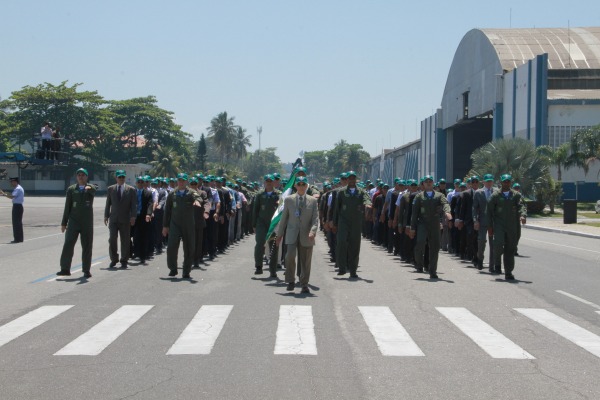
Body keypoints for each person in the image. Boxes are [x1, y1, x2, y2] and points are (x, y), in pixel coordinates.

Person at [276, 176, 319, 293]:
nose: (301, 186)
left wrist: (313, 231)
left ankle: (304, 283)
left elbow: (315, 219)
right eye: (299, 184)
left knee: (305, 261)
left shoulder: (313, 201)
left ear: (306, 186)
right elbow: (284, 218)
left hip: (307, 235)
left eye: (303, 184)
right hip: (291, 233)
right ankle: (290, 281)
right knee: (289, 256)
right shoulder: (289, 199)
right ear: (295, 186)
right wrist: (279, 235)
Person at [409, 175, 452, 279]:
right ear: (423, 184)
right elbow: (414, 214)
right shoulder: (419, 196)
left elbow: (445, 203)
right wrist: (412, 228)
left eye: (430, 181)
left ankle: (432, 271)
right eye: (426, 181)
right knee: (420, 243)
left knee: (435, 247)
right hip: (422, 223)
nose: (428, 183)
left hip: (434, 223)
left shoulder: (439, 195)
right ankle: (419, 264)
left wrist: (447, 212)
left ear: (433, 183)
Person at [162, 173, 203, 279]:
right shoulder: (172, 194)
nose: (181, 182)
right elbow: (167, 211)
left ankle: (186, 271)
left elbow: (198, 197)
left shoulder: (191, 192)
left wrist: (197, 202)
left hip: (188, 225)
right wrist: (165, 226)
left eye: (183, 180)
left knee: (189, 248)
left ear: (186, 182)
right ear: (177, 181)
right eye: (179, 180)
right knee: (171, 246)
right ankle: (173, 268)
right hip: (175, 224)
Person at [332, 170, 371, 278]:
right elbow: (336, 208)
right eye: (350, 178)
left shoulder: (361, 191)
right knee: (341, 242)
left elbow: (367, 199)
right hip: (343, 221)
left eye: (354, 178)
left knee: (355, 245)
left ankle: (353, 270)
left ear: (356, 179)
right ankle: (342, 267)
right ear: (347, 180)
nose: (352, 180)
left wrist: (367, 204)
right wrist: (334, 223)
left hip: (356, 222)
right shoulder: (341, 192)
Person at [487, 174, 527, 280]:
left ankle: (508, 272)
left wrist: (523, 215)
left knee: (510, 249)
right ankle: (497, 264)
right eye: (504, 181)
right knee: (498, 244)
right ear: (501, 182)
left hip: (512, 226)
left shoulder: (516, 195)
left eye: (508, 181)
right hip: (499, 224)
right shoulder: (495, 195)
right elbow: (489, 211)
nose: (506, 183)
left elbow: (521, 206)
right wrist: (490, 227)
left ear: (510, 182)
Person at [57, 168, 96, 278]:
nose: (81, 177)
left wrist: (89, 188)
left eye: (83, 175)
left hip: (86, 223)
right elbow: (67, 207)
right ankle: (65, 268)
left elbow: (94, 189)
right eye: (79, 175)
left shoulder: (90, 188)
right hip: (73, 221)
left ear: (87, 177)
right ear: (76, 177)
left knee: (87, 246)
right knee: (68, 244)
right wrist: (64, 223)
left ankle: (86, 270)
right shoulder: (71, 189)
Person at [104, 170, 137, 269]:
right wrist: (106, 216)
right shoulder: (111, 189)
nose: (121, 179)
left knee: (125, 240)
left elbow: (133, 205)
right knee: (112, 239)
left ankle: (124, 260)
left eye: (123, 177)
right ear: (116, 178)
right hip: (113, 219)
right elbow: (108, 204)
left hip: (125, 219)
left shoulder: (131, 190)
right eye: (119, 177)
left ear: (125, 178)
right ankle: (114, 259)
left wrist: (133, 216)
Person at [252, 174, 280, 276]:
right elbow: (255, 210)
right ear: (264, 182)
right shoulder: (259, 195)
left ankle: (273, 270)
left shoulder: (278, 195)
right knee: (260, 243)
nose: (269, 183)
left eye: (270, 181)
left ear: (273, 182)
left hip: (273, 223)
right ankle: (259, 266)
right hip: (261, 223)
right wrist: (254, 224)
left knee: (273, 246)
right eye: (267, 181)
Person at [472, 174, 496, 271]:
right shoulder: (478, 192)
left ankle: (492, 266)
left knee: (493, 244)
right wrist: (475, 220)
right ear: (484, 182)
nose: (489, 183)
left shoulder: (496, 192)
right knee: (481, 241)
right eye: (487, 181)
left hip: (493, 222)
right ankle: (480, 260)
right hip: (482, 221)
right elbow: (474, 208)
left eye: (491, 181)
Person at [132, 176, 154, 264]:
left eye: (142, 182)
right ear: (136, 183)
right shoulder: (132, 192)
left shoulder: (148, 193)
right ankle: (135, 252)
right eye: (139, 182)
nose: (140, 184)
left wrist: (148, 214)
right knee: (134, 236)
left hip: (143, 217)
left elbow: (150, 204)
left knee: (143, 236)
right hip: (134, 217)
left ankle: (143, 256)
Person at [1, 177, 25, 243]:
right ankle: (20, 238)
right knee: (18, 223)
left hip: (17, 206)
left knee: (16, 223)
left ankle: (17, 239)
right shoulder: (19, 188)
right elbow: (11, 195)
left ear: (15, 182)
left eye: (12, 182)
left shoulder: (17, 188)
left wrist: (3, 194)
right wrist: (4, 194)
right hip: (19, 206)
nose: (11, 183)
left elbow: (12, 196)